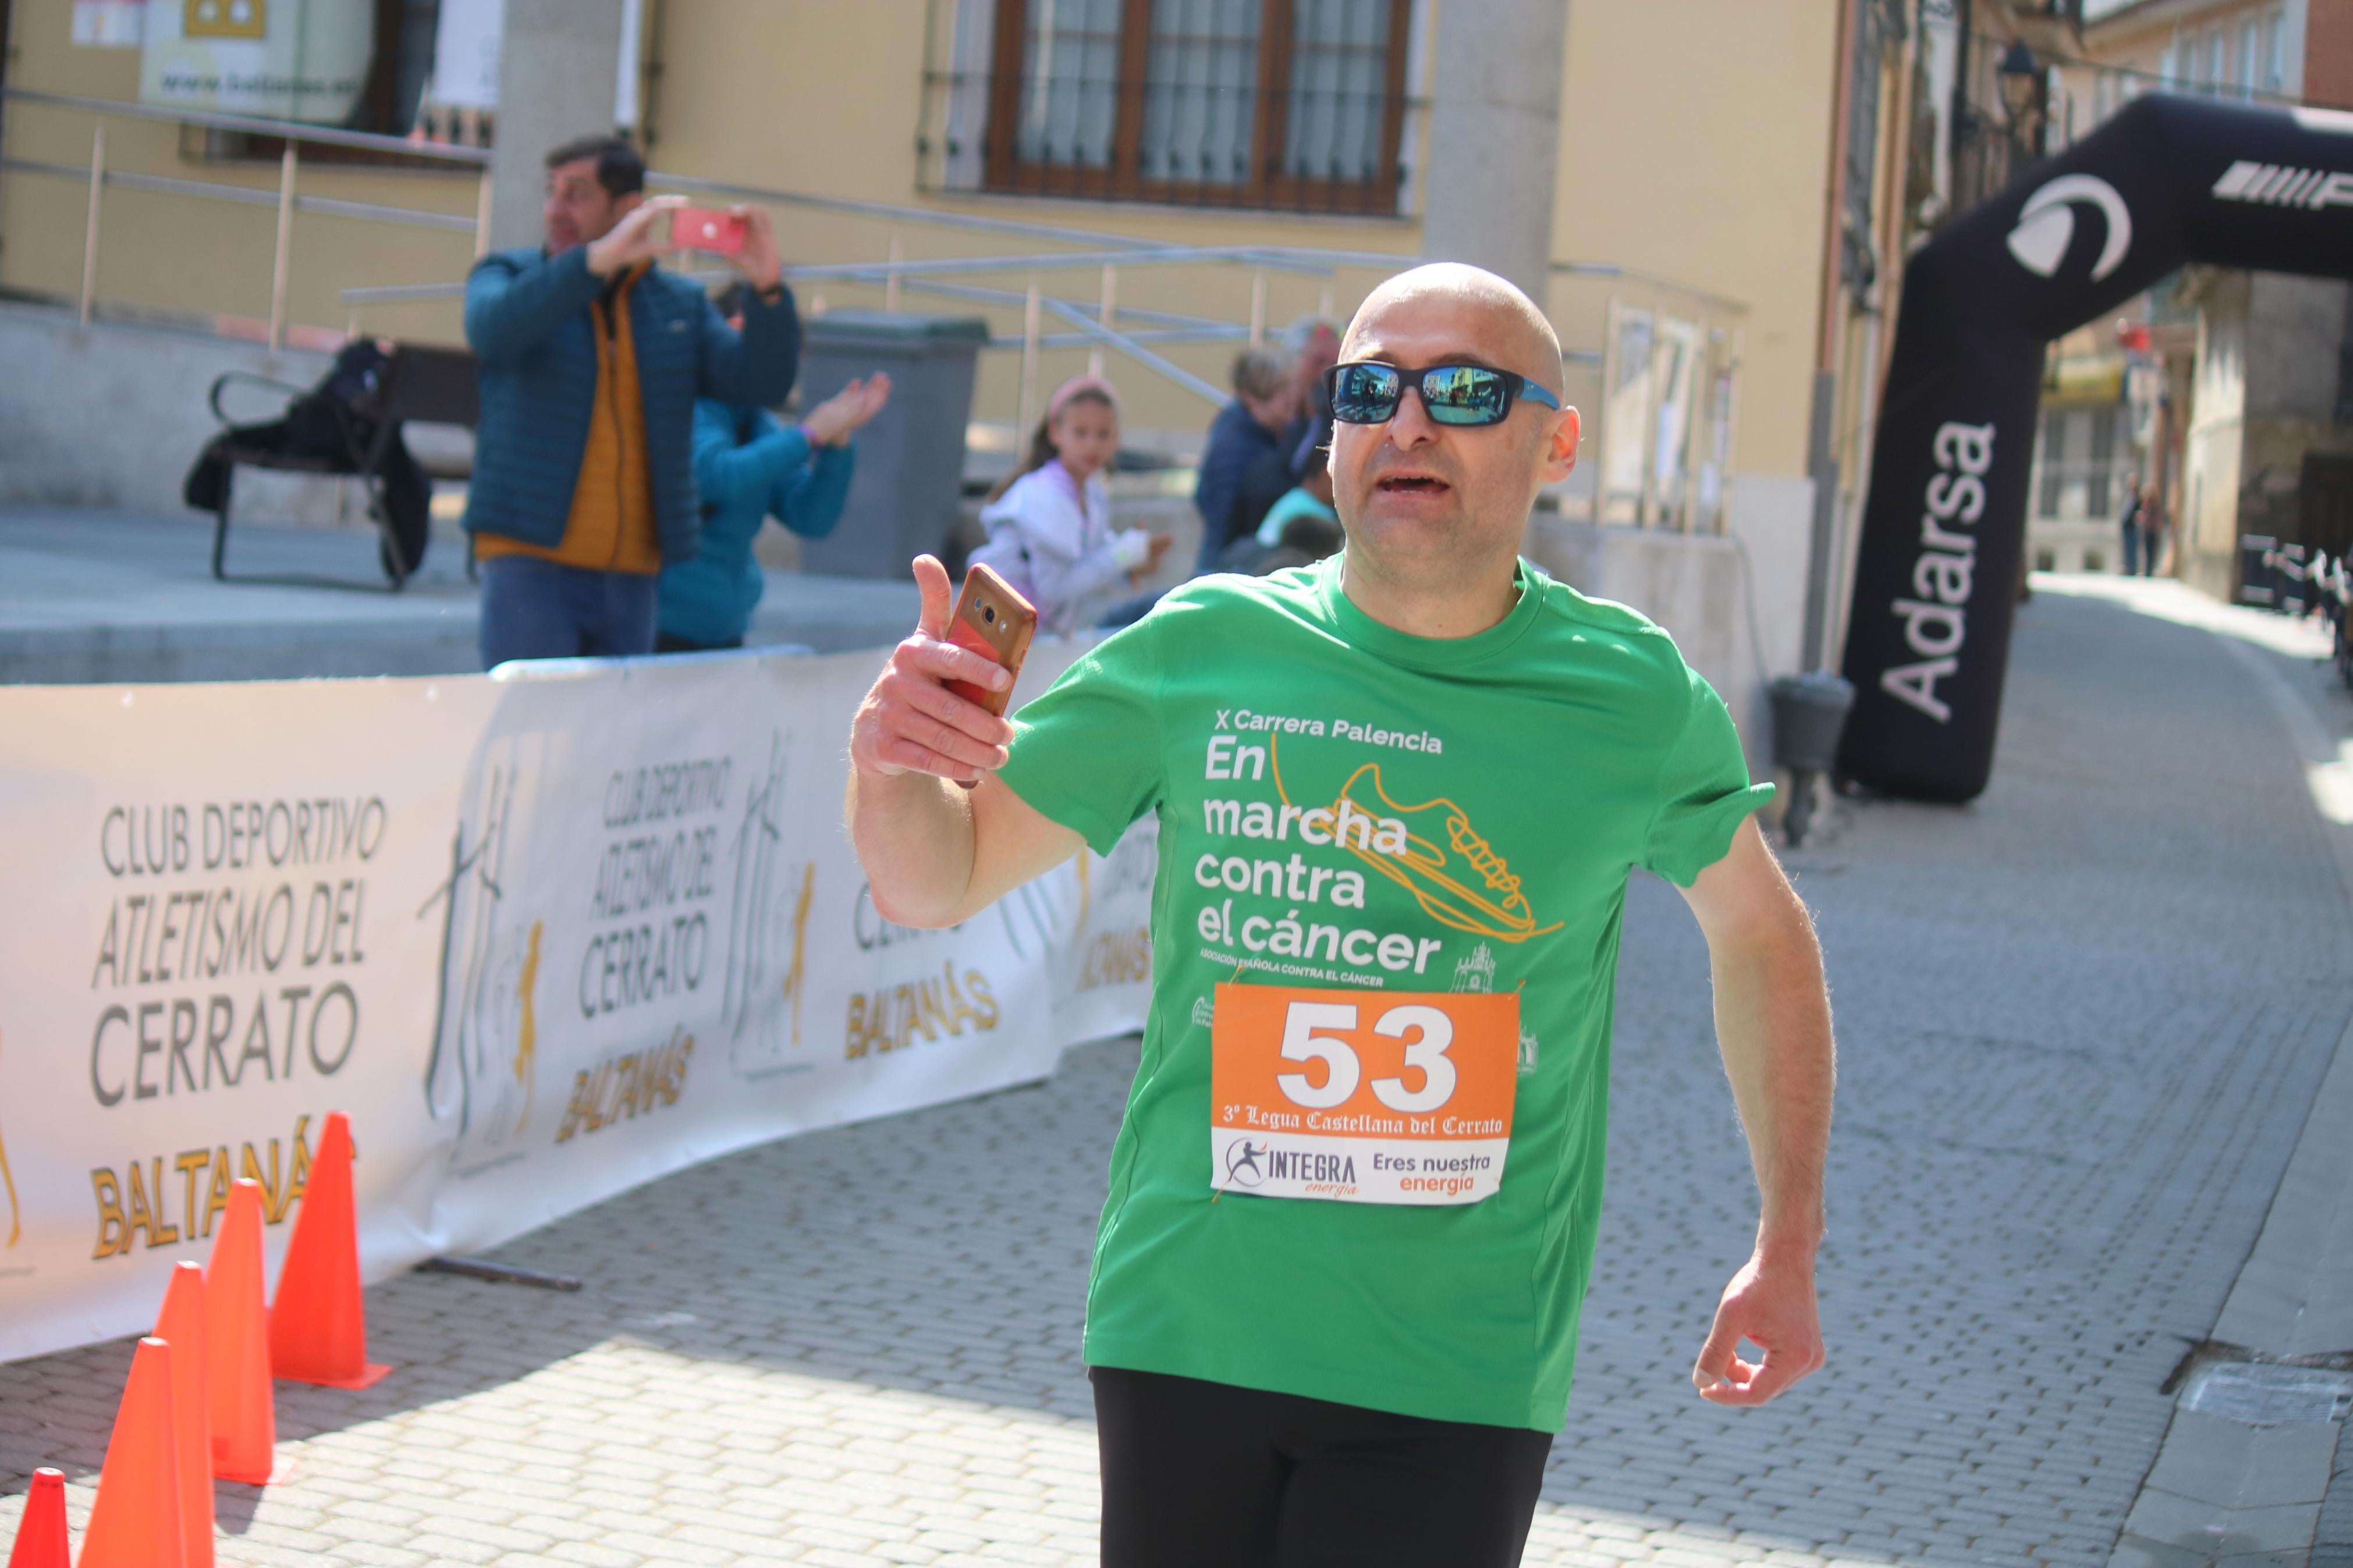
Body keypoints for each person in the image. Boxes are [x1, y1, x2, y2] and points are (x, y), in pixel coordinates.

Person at [845, 262, 1834, 1567]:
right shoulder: (1199, 649)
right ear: (1332, 433)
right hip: (1183, 1327)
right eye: (1368, 387)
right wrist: (890, 760)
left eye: (1464, 391)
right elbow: (933, 877)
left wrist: (1785, 1241)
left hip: (1453, 1362)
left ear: (1555, 441)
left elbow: (1761, 941)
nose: (1407, 421)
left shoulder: (1631, 700)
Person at [464, 134, 799, 667]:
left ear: (626, 209)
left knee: (613, 747)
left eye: (576, 195)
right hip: (530, 563)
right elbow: (492, 332)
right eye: (551, 193)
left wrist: (767, 291)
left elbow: (759, 384)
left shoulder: (677, 303)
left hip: (634, 576)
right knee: (526, 739)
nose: (556, 209)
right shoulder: (508, 275)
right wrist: (591, 264)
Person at [655, 290, 893, 654]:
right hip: (659, 629)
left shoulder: (759, 423)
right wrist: (809, 433)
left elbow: (811, 516)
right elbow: (717, 476)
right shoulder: (689, 408)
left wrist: (837, 441)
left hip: (726, 631)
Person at [971, 376, 1171, 634]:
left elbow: (1092, 559)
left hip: (1032, 639)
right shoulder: (1042, 494)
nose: (1092, 444)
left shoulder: (1092, 495)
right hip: (998, 635)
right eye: (1080, 432)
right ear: (1055, 433)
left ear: (1116, 439)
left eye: (1103, 434)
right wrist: (1123, 555)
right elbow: (1054, 588)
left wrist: (1134, 562)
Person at [1223, 318, 1343, 552]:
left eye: (1335, 364)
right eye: (1318, 362)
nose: (1327, 373)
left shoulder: (1323, 417)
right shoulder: (1245, 429)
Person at [1193, 346, 1300, 572]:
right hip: (1228, 565)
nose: (1291, 397)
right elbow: (1221, 517)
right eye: (1280, 389)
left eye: (1291, 386)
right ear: (1253, 399)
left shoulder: (1274, 432)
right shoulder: (1234, 447)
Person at [2118, 484, 2146, 577]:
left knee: (2132, 548)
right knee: (2127, 548)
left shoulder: (2138, 500)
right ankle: (2127, 567)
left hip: (2133, 528)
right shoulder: (2128, 498)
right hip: (2126, 526)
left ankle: (2132, 568)